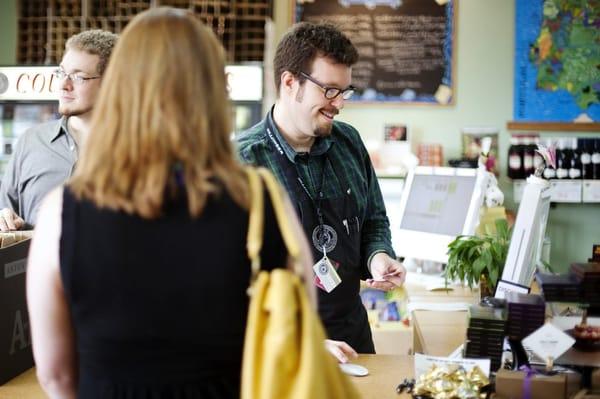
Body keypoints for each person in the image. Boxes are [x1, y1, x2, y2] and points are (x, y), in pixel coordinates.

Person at [27, 8, 313, 399]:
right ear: (216, 90)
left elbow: (56, 375)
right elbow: (298, 335)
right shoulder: (261, 199)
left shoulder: (63, 211)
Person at [237, 22, 406, 357]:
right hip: (284, 344)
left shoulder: (349, 142)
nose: (339, 104)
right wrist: (302, 343)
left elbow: (373, 219)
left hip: (353, 333)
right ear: (290, 83)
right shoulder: (242, 160)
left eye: (344, 92)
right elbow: (233, 280)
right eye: (329, 90)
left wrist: (378, 257)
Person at [0, 29, 118, 231]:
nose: (63, 84)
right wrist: (6, 220)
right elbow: (6, 213)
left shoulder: (138, 150)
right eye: (62, 73)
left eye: (79, 77)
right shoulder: (31, 141)